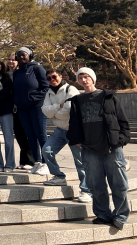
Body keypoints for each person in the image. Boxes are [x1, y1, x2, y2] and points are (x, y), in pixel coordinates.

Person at [67, 67, 130, 231]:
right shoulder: (77, 100)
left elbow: (122, 120)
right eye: (80, 77)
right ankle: (103, 214)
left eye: (86, 76)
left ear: (93, 78)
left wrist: (121, 140)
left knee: (119, 184)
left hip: (111, 148)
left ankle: (120, 216)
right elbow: (73, 124)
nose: (84, 80)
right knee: (96, 185)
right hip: (89, 149)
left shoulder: (108, 96)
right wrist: (76, 139)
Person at [41, 69, 92, 202]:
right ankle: (58, 176)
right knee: (46, 151)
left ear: (60, 77)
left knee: (80, 161)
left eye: (54, 77)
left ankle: (86, 190)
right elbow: (45, 111)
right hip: (60, 129)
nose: (52, 80)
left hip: (73, 129)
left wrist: (54, 111)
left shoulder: (71, 89)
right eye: (48, 78)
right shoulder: (49, 93)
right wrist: (59, 107)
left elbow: (68, 110)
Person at [12, 47, 49, 175]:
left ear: (30, 55)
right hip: (22, 109)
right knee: (30, 136)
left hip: (37, 106)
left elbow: (46, 87)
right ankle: (37, 162)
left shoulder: (37, 69)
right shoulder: (17, 72)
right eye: (19, 55)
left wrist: (33, 98)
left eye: (24, 55)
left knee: (41, 135)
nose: (21, 57)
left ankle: (46, 163)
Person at [7, 52, 35, 170]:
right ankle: (23, 161)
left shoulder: (22, 73)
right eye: (9, 59)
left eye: (14, 59)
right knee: (19, 135)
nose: (11, 61)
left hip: (23, 107)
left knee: (27, 133)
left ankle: (31, 160)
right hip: (11, 108)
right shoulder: (5, 74)